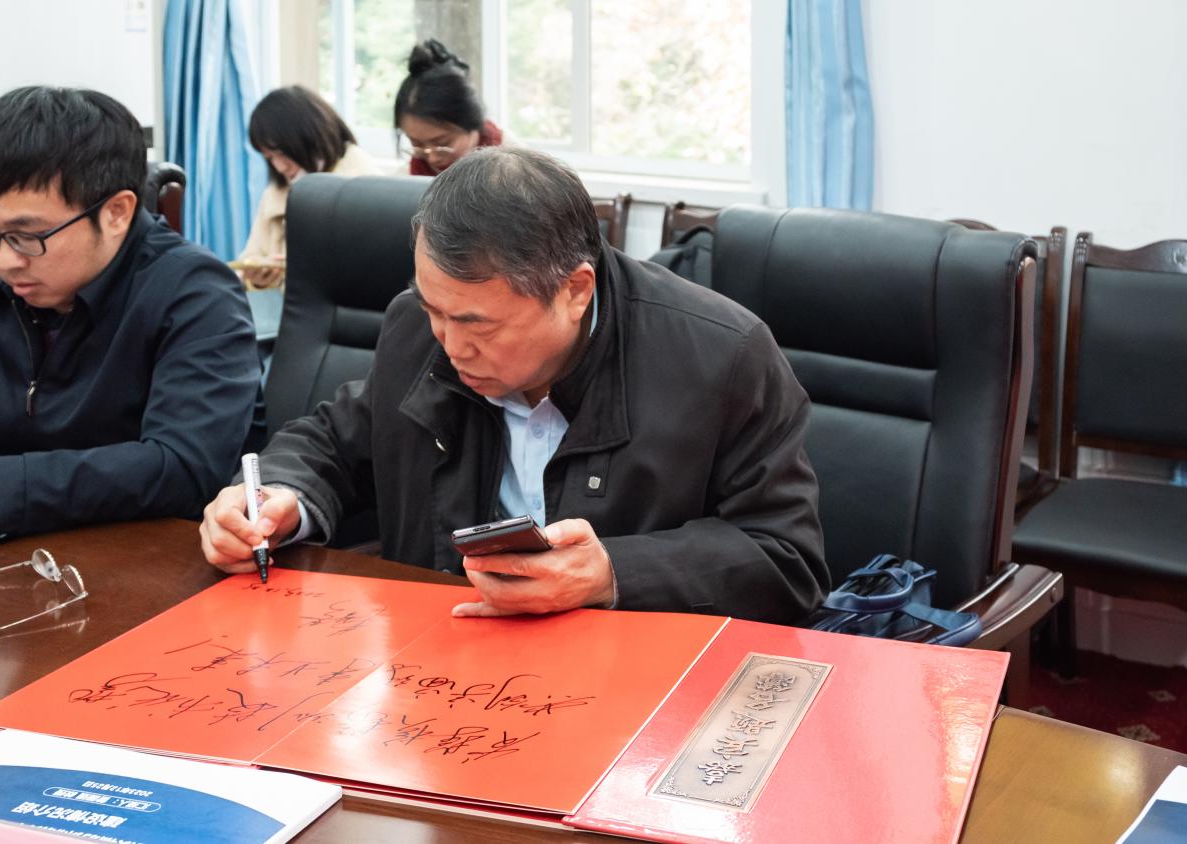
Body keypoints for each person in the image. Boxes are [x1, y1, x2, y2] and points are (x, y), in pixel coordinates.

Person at [200, 147, 827, 624]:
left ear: (575, 291)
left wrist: (613, 573)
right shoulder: (418, 329)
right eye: (434, 310)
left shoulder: (721, 357)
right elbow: (339, 440)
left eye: (477, 324)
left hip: (633, 689)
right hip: (444, 665)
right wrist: (278, 498)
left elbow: (786, 558)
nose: (451, 346)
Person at [0, 86, 263, 542]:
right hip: (16, 551)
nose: (5, 260)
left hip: (154, 558)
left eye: (28, 236)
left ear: (116, 212)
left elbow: (183, 470)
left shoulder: (197, 293)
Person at [237, 85, 379, 289]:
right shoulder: (276, 193)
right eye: (270, 158)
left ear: (310, 137)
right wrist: (256, 278)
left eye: (282, 153)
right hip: (292, 305)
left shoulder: (363, 184)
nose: (280, 166)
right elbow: (251, 258)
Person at [395, 39, 504, 177]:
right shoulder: (409, 177)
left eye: (443, 144)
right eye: (417, 144)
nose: (432, 158)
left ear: (473, 123)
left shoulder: (513, 170)